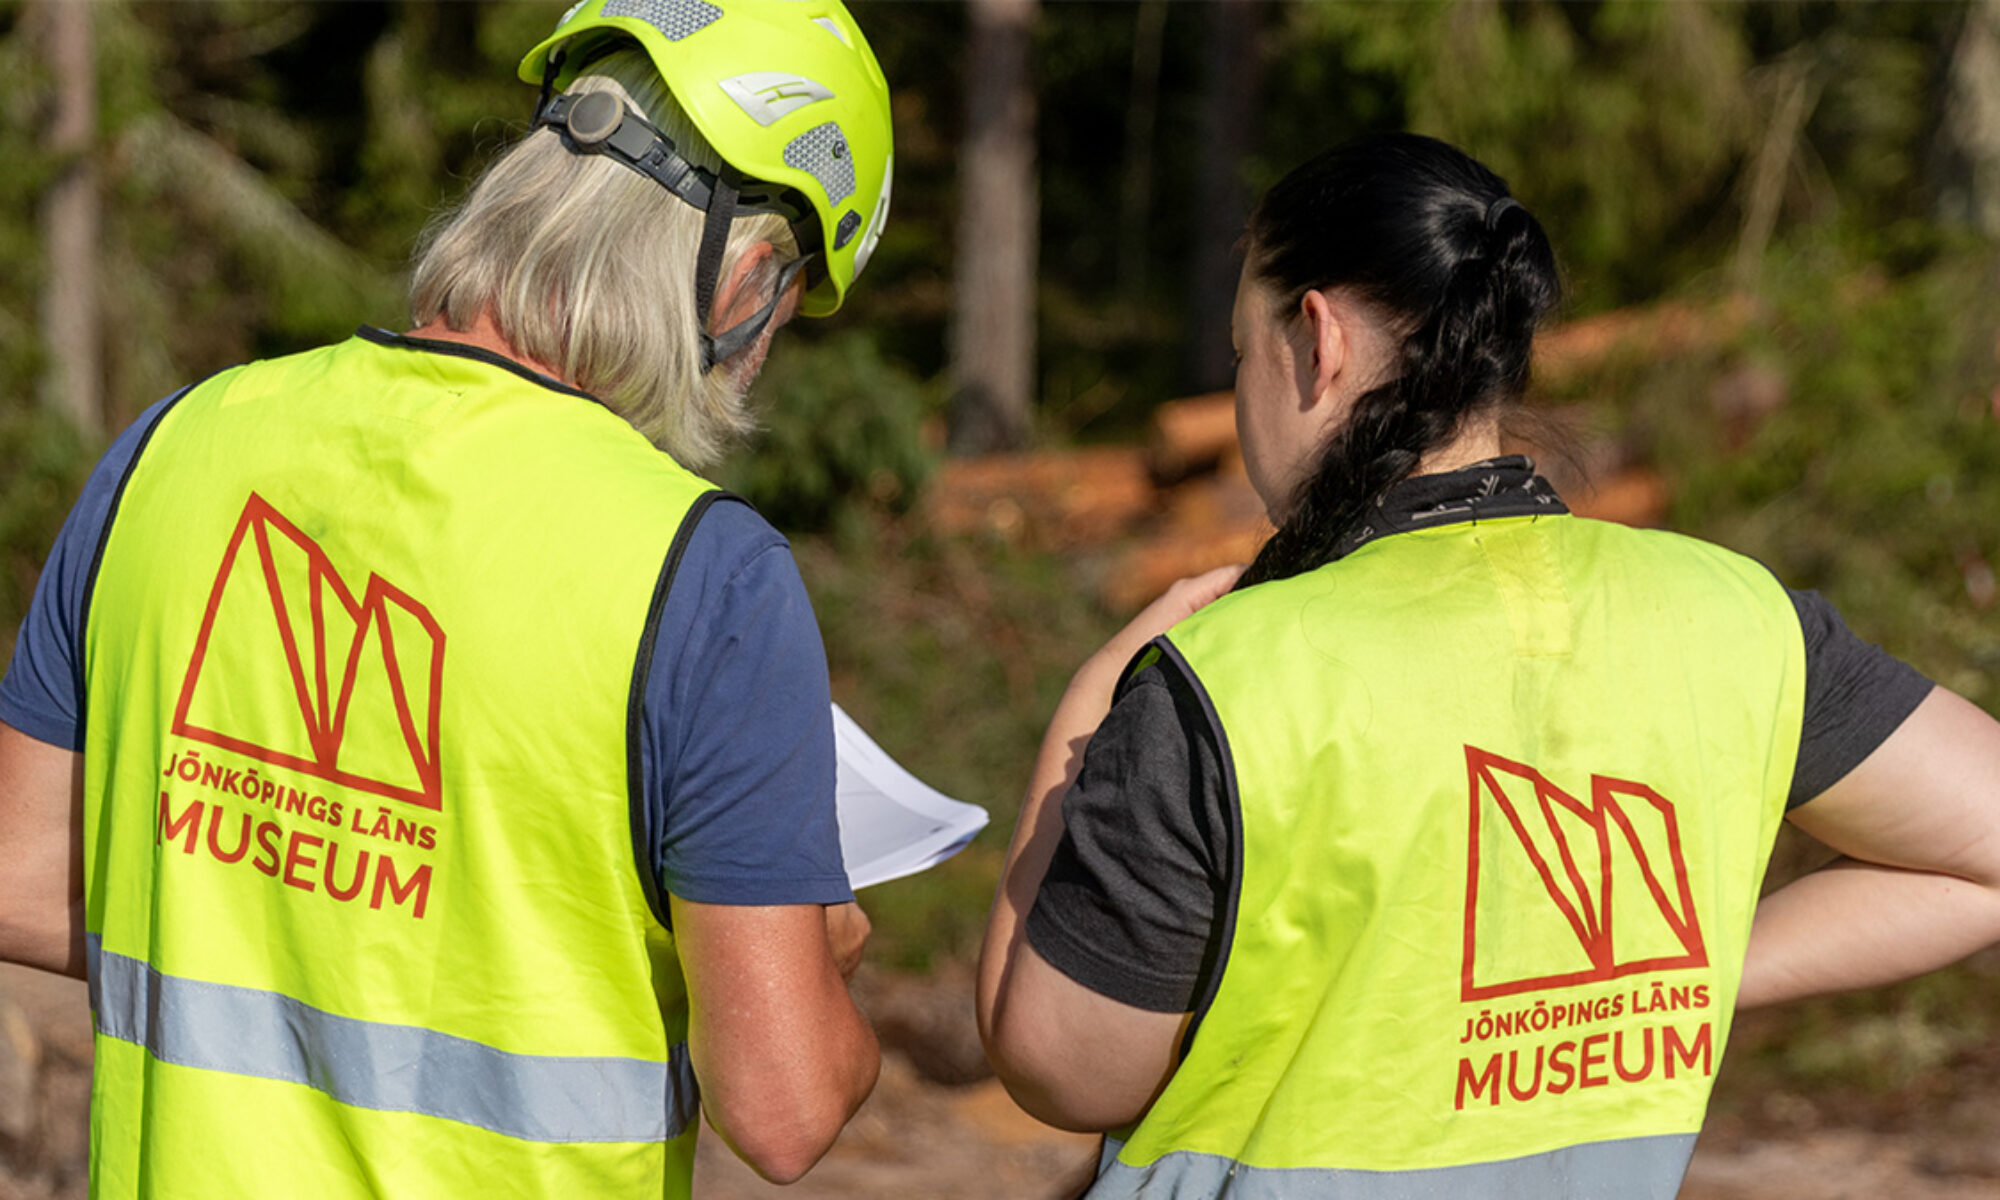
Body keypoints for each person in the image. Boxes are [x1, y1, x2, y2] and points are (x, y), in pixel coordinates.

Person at [977, 132, 2000, 1198]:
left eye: (1242, 352)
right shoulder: (1735, 612)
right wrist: (1659, 975)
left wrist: (1088, 707)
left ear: (1314, 343)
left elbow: (1062, 1070)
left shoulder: (1225, 678)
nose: (1240, 395)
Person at [0, 1, 897, 1193]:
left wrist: (291, 927)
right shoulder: (704, 577)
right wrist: (817, 958)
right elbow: (783, 1113)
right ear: (742, 274)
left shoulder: (175, 444)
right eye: (789, 306)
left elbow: (19, 876)